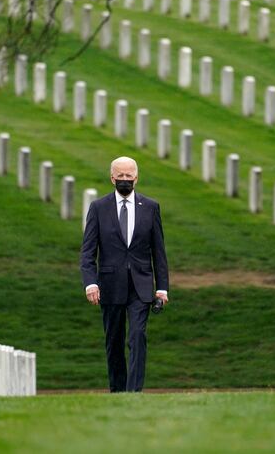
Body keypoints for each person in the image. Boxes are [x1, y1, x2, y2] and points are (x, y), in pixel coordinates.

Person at [80, 156, 169, 392]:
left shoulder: (150, 207)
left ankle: (134, 391)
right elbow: (88, 251)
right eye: (120, 176)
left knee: (138, 335)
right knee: (114, 341)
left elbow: (158, 251)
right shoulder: (98, 208)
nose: (125, 180)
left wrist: (162, 288)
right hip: (110, 284)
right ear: (112, 178)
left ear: (137, 178)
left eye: (129, 176)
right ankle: (118, 390)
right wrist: (90, 283)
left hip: (140, 284)